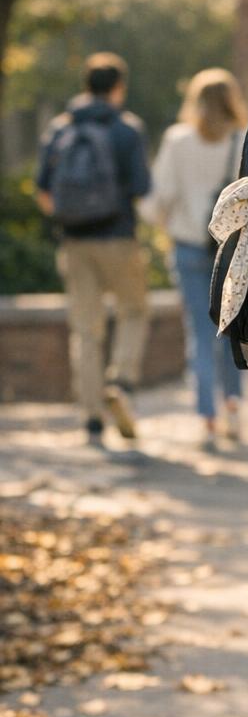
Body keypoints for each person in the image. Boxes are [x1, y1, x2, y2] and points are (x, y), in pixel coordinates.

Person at [36, 52, 151, 448]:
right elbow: (141, 188)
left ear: (86, 86)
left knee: (86, 330)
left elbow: (44, 190)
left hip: (75, 242)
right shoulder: (126, 129)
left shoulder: (60, 128)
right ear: (118, 88)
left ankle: (90, 417)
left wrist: (72, 216)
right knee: (133, 311)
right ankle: (121, 381)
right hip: (118, 238)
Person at [142, 68, 247, 449]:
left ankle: (207, 418)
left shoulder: (178, 140)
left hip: (188, 247)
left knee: (200, 334)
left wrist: (162, 223)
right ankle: (233, 406)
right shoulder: (241, 139)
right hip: (230, 249)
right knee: (229, 329)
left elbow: (158, 200)